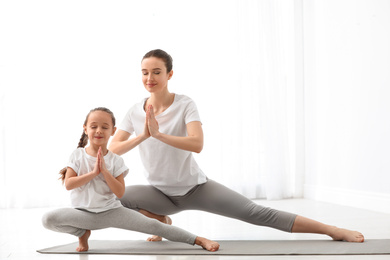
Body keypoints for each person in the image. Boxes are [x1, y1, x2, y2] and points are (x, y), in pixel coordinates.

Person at [109, 49, 365, 243]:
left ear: (169, 74)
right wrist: (143, 136)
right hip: (159, 193)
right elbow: (114, 148)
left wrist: (160, 135)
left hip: (195, 188)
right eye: (145, 72)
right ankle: (160, 220)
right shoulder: (135, 110)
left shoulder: (185, 104)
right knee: (110, 198)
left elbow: (197, 144)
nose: (149, 78)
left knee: (256, 213)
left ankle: (334, 231)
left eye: (156, 72)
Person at [42, 107, 220, 252]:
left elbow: (119, 192)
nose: (99, 130)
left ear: (113, 131)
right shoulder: (77, 155)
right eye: (94, 126)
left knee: (155, 226)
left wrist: (105, 172)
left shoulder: (116, 160)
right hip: (82, 214)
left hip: (111, 213)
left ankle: (198, 240)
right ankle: (82, 233)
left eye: (105, 127)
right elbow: (69, 184)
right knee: (48, 219)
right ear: (85, 128)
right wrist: (93, 172)